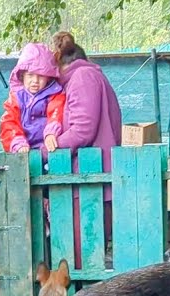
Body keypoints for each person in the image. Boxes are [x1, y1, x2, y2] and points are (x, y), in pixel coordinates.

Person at [50, 31, 123, 269]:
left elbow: (82, 129)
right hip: (90, 182)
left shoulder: (82, 78)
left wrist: (48, 148)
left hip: (90, 184)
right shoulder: (90, 76)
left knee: (81, 261)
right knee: (86, 259)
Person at [0, 42, 66, 156]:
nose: (35, 80)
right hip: (23, 148)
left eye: (40, 76)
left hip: (48, 147)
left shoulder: (54, 94)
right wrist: (17, 141)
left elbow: (56, 114)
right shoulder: (17, 97)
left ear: (48, 77)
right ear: (22, 75)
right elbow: (9, 121)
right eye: (30, 75)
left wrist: (51, 133)